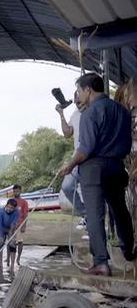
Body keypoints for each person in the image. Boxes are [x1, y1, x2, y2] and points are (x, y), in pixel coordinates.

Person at [58, 73, 135, 276]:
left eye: (80, 91)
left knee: (94, 215)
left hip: (94, 168)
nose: (79, 96)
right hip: (117, 166)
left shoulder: (90, 113)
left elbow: (85, 149)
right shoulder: (123, 111)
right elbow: (128, 143)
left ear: (88, 90)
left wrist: (70, 165)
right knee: (120, 209)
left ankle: (101, 262)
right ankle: (129, 250)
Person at [57, 90, 87, 231]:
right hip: (77, 159)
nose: (77, 102)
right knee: (67, 187)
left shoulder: (94, 111)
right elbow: (67, 133)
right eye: (75, 100)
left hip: (91, 159)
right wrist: (61, 114)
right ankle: (86, 215)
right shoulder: (75, 114)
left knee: (90, 191)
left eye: (79, 98)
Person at [0, 199, 20, 274]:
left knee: (12, 244)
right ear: (6, 205)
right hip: (1, 227)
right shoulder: (0, 212)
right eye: (8, 207)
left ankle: (12, 265)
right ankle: (1, 265)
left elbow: (13, 224)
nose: (9, 209)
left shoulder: (17, 212)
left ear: (14, 208)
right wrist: (0, 237)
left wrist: (10, 234)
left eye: (11, 208)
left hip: (11, 227)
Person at [11, 184, 29, 267]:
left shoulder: (24, 202)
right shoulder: (11, 201)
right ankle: (10, 259)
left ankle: (18, 258)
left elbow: (25, 215)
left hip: (20, 224)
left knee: (20, 242)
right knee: (11, 242)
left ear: (20, 191)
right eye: (14, 191)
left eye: (17, 191)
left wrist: (24, 226)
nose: (16, 193)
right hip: (11, 225)